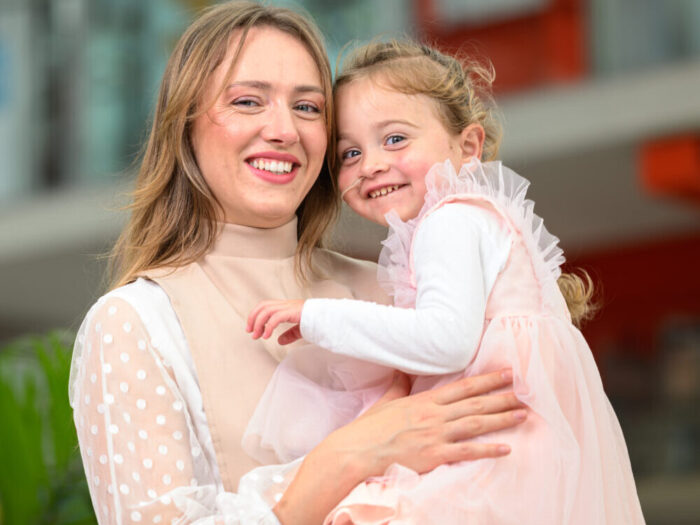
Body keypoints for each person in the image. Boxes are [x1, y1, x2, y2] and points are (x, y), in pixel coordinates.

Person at [68, 3, 529, 524]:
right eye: (247, 101)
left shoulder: (401, 288)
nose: (284, 129)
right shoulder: (134, 325)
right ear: (184, 125)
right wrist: (352, 454)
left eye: (308, 108)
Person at [246, 40, 646, 524]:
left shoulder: (449, 220)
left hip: (497, 453)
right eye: (349, 153)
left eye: (394, 140)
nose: (369, 164)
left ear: (468, 147)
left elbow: (446, 342)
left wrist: (315, 317)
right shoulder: (470, 219)